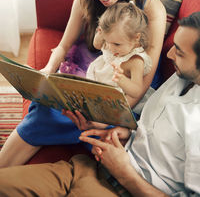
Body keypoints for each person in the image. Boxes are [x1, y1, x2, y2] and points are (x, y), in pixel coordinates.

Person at [0, 0, 166, 168]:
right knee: (47, 107)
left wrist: (108, 116)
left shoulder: (152, 8)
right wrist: (47, 70)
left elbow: (145, 80)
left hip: (127, 88)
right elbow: (64, 45)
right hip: (94, 73)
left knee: (91, 127)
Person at [0, 12, 199, 196]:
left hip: (121, 189)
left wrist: (125, 174)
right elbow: (154, 131)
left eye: (180, 53)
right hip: (87, 167)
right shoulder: (181, 77)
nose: (169, 54)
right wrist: (126, 133)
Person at [86, 1, 154, 115]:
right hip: (99, 86)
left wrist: (122, 80)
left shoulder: (135, 60)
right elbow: (96, 45)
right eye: (107, 42)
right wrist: (100, 33)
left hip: (118, 100)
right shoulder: (113, 40)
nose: (111, 49)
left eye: (117, 44)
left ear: (136, 37)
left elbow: (137, 91)